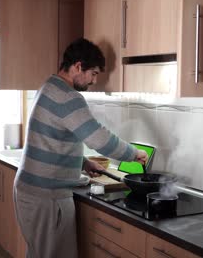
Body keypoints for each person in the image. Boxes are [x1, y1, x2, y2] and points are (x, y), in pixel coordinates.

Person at [13, 38, 148, 258]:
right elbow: (99, 139)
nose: (94, 80)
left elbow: (52, 137)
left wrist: (82, 162)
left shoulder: (49, 86)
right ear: (78, 66)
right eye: (93, 73)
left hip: (33, 191)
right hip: (47, 197)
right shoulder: (68, 97)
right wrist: (134, 153)